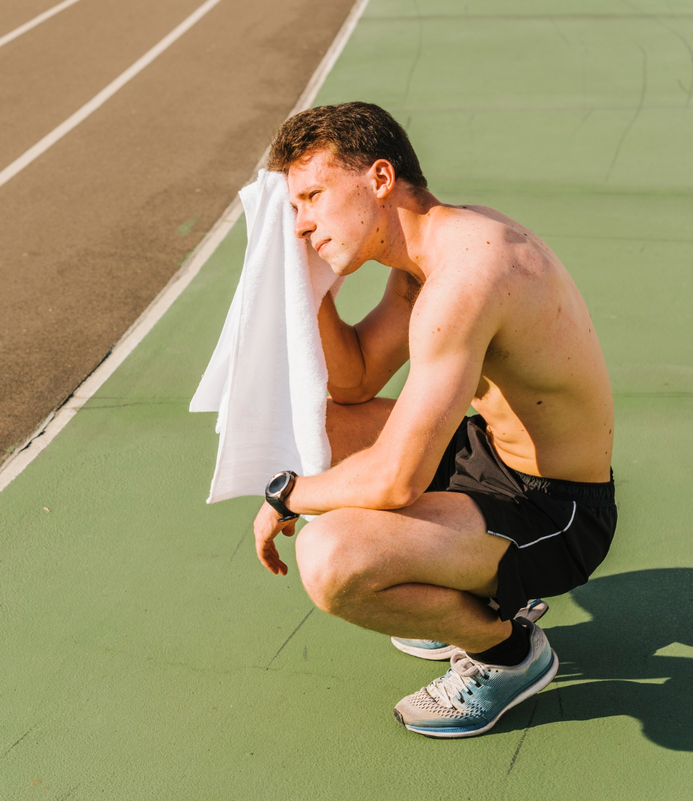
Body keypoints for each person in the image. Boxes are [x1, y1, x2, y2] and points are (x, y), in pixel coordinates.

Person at [254, 102, 617, 737]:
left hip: (556, 511)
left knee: (330, 558)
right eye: (295, 206)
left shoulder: (468, 276)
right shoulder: (430, 248)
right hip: (490, 459)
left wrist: (285, 496)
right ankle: (456, 597)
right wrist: (305, 290)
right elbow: (357, 379)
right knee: (324, 427)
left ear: (380, 178)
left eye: (313, 196)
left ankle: (506, 653)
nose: (301, 225)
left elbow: (395, 482)